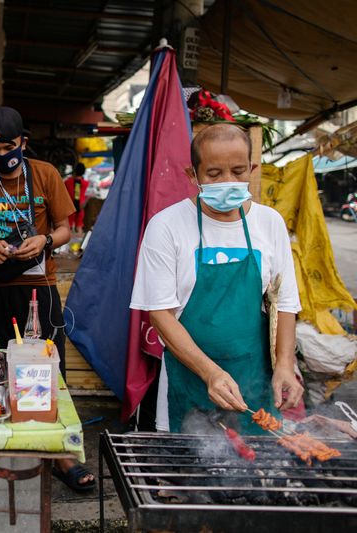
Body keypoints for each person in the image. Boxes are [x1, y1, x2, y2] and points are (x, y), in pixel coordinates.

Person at [0, 106, 94, 491]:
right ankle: (0, 445)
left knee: (48, 370)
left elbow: (65, 229)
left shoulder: (45, 174)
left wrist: (44, 240)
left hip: (39, 288)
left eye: (8, 145)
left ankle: (60, 454)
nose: (0, 153)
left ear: (23, 142)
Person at [130, 123, 304, 435]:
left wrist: (285, 364)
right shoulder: (166, 226)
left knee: (256, 469)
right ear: (192, 174)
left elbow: (286, 302)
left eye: (238, 171)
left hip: (255, 377)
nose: (228, 181)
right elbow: (159, 313)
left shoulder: (270, 223)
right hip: (190, 378)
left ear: (251, 168)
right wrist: (210, 373)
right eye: (213, 174)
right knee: (186, 473)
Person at [63, 163, 88, 233]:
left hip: (70, 207)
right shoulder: (86, 183)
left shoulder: (68, 182)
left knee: (68, 227)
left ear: (74, 171)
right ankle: (79, 242)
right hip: (80, 207)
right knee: (79, 227)